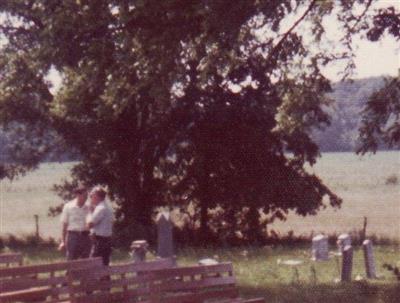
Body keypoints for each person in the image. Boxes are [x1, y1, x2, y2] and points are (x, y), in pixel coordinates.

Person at [59, 186, 91, 260]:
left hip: (85, 236)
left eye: (87, 196)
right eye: (84, 196)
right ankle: (70, 272)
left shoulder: (89, 207)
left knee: (86, 260)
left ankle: (84, 272)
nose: (86, 198)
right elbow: (64, 225)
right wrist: (63, 241)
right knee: (71, 259)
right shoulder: (68, 206)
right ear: (78, 195)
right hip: (73, 236)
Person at [87, 186, 113, 266]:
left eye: (92, 195)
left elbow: (90, 224)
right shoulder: (107, 207)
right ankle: (105, 278)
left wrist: (90, 213)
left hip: (100, 241)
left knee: (93, 265)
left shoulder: (100, 208)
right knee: (105, 264)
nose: (90, 197)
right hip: (107, 239)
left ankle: (97, 279)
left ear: (97, 196)